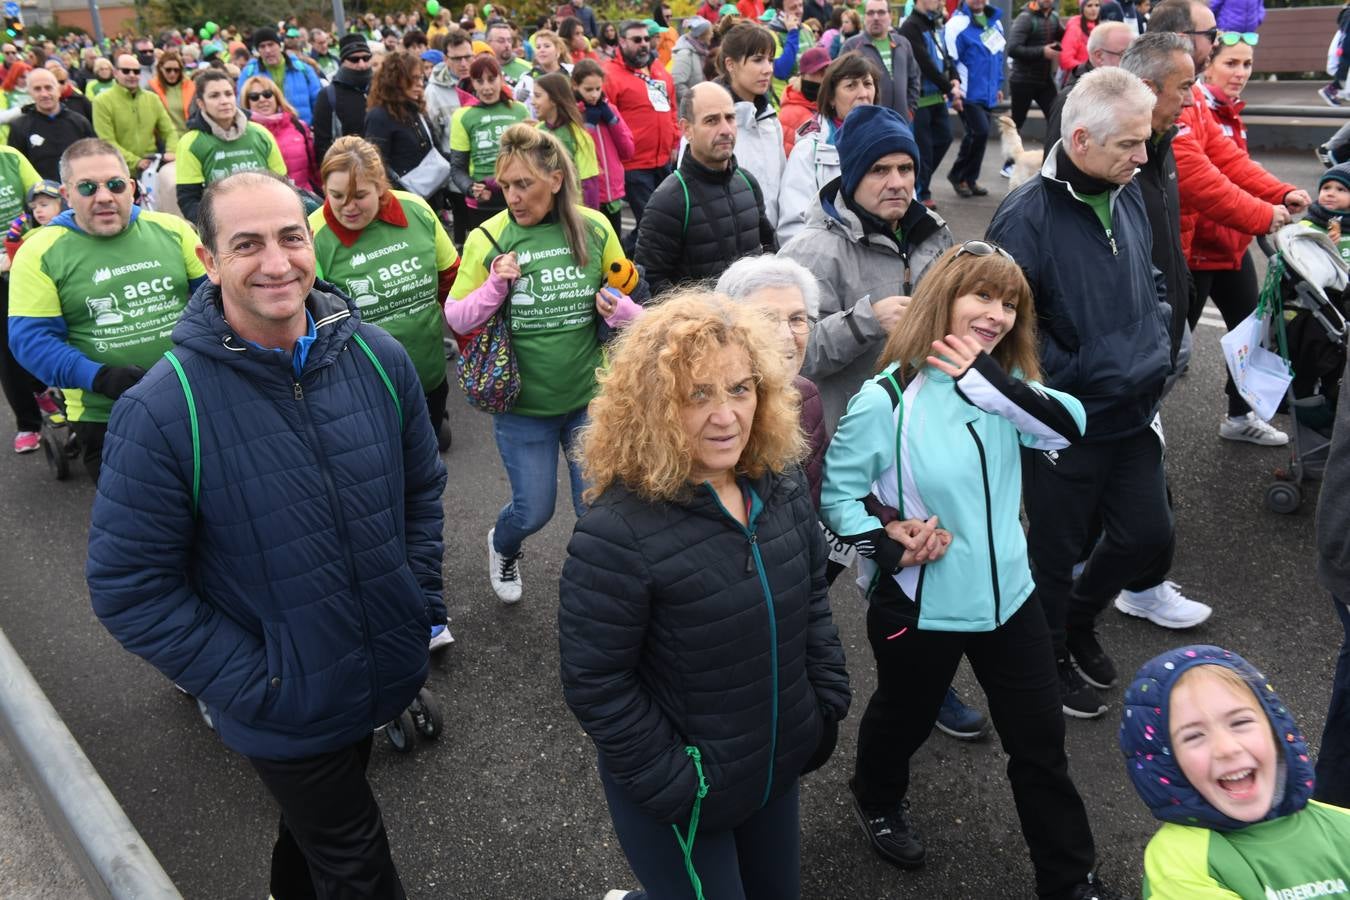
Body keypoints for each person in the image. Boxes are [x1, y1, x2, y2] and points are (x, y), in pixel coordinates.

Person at [85, 169, 446, 900]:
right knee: (356, 859)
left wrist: (416, 598)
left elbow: (420, 494)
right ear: (209, 260)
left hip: (371, 667)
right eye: (246, 244)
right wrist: (265, 682)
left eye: (290, 237)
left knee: (315, 832)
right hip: (283, 702)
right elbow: (130, 589)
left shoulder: (380, 357)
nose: (277, 263)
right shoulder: (162, 408)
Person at [821, 242, 1107, 898]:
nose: (997, 313)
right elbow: (836, 496)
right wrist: (887, 539)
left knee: (1041, 746)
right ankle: (876, 794)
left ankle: (1070, 880)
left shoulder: (1009, 392)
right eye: (982, 295)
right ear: (943, 298)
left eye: (1010, 303)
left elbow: (1071, 428)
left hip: (1013, 601)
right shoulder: (885, 398)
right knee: (903, 718)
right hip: (920, 604)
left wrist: (993, 384)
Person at [560, 292, 850, 900]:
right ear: (653, 408)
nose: (727, 417)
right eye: (698, 395)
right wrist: (675, 782)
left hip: (771, 765)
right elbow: (597, 681)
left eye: (740, 389)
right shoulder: (617, 530)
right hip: (683, 796)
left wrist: (821, 705)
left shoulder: (782, 483)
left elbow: (812, 602)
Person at [985, 68, 1187, 720]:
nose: (1143, 156)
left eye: (1144, 140)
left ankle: (1076, 623)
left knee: (1145, 535)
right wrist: (1099, 369)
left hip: (1134, 411)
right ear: (1080, 138)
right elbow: (1010, 336)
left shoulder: (1124, 188)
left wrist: (1156, 332)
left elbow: (1152, 275)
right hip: (1067, 425)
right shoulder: (1023, 219)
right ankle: (1046, 661)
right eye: (1130, 143)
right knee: (1053, 554)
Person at [444, 124, 638, 604]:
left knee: (594, 508)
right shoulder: (489, 237)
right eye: (506, 185)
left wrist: (622, 309)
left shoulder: (594, 227)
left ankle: (597, 593)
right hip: (523, 408)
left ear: (555, 180)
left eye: (523, 184)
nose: (512, 196)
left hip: (589, 400)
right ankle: (503, 544)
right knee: (533, 512)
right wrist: (495, 285)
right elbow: (455, 315)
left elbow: (633, 299)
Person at [7, 138, 205, 482]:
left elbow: (215, 301)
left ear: (131, 188)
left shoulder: (172, 230)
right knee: (146, 524)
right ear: (66, 195)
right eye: (87, 188)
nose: (103, 197)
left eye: (114, 185)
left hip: (194, 396)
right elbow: (31, 340)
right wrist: (99, 377)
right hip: (106, 414)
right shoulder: (38, 251)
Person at [778, 104, 953, 437]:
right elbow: (789, 356)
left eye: (906, 168)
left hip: (923, 434)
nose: (897, 182)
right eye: (879, 170)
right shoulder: (809, 252)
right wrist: (866, 321)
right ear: (854, 175)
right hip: (847, 437)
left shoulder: (936, 234)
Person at [1120, 646, 1350, 896]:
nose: (1226, 749)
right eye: (1194, 736)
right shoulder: (1178, 862)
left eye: (1240, 722)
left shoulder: (1343, 825)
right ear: (1165, 764)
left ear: (1276, 731)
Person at [1174, 25, 1309, 445]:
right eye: (1230, 62)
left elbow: (1234, 166)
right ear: (1206, 63)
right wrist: (1264, 214)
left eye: (1246, 64)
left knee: (1253, 334)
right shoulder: (1192, 104)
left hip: (1231, 247)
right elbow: (1203, 179)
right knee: (1170, 356)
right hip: (1197, 251)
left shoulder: (1224, 109)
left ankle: (1239, 415)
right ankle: (1133, 430)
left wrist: (1280, 193)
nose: (1240, 72)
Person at [310, 134, 459, 475]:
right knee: (395, 470)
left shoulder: (416, 209)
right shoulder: (313, 233)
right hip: (364, 388)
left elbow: (451, 279)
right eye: (336, 196)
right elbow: (313, 317)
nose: (348, 206)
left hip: (429, 370)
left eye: (359, 195)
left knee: (431, 442)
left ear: (380, 186)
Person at [635, 82, 774, 297]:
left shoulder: (747, 182)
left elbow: (770, 252)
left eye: (730, 118)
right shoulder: (669, 200)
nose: (726, 130)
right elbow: (651, 283)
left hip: (754, 323)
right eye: (711, 121)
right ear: (686, 129)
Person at [1119, 33, 1196, 375]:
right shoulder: (1111, 162)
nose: (1191, 100)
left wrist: (1183, 288)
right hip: (1138, 332)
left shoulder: (1161, 141)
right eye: (1184, 87)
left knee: (1179, 358)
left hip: (1167, 314)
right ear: (1149, 90)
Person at [776, 52, 876, 243]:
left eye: (868, 84)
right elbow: (793, 227)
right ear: (831, 98)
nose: (863, 93)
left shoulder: (893, 145)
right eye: (851, 86)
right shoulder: (808, 151)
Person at [177, 70, 287, 224]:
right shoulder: (190, 142)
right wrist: (218, 228)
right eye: (214, 96)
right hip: (223, 226)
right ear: (201, 103)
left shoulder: (260, 133)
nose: (224, 101)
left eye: (228, 94)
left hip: (268, 218)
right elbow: (189, 201)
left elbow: (283, 185)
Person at [605, 19, 679, 248]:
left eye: (647, 39)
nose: (644, 44)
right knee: (652, 223)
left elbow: (672, 109)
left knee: (666, 219)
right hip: (634, 165)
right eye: (637, 40)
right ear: (622, 41)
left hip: (664, 161)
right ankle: (622, 259)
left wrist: (675, 141)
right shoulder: (609, 74)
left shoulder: (659, 71)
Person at [713, 23, 786, 226]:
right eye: (758, 60)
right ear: (731, 64)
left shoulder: (770, 121)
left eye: (770, 60)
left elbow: (781, 190)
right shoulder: (707, 121)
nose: (768, 69)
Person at [449, 54, 530, 232]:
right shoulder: (462, 116)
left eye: (492, 79)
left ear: (501, 78)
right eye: (479, 81)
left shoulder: (519, 109)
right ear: (473, 83)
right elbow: (457, 168)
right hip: (483, 201)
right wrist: (471, 188)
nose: (486, 87)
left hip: (519, 196)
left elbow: (532, 157)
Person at [0, 148, 44, 455]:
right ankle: (28, 423)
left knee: (42, 332)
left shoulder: (10, 157)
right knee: (5, 346)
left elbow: (39, 197)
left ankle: (44, 390)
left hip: (26, 255)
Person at [365, 50, 448, 207]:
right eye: (414, 78)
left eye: (421, 78)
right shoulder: (379, 116)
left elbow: (435, 150)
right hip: (402, 202)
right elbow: (376, 165)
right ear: (396, 80)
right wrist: (406, 195)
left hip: (430, 198)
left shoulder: (416, 110)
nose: (420, 83)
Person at [900, 0, 961, 209]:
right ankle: (921, 191)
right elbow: (924, 63)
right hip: (921, 99)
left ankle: (917, 181)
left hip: (937, 97)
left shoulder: (935, 23)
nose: (940, 2)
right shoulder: (910, 26)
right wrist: (948, 87)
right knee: (924, 149)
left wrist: (954, 77)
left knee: (944, 139)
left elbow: (946, 55)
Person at [943, 0, 1004, 199]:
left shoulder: (995, 22)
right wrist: (955, 91)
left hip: (987, 92)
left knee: (979, 135)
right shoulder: (956, 24)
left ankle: (969, 178)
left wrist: (998, 85)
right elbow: (949, 60)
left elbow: (998, 57)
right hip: (967, 92)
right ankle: (958, 175)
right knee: (979, 132)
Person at [574, 58, 635, 237]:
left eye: (598, 89)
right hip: (588, 196)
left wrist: (612, 121)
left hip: (613, 194)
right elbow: (579, 151)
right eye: (588, 89)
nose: (594, 95)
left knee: (615, 247)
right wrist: (590, 126)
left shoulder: (610, 110)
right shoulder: (573, 114)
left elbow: (628, 150)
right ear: (575, 85)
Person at [1044, 21, 1132, 145]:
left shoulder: (1122, 90)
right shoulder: (1071, 99)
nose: (1133, 62)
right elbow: (1054, 157)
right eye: (1124, 55)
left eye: (1134, 54)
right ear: (1099, 56)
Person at [91, 53, 179, 175]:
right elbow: (107, 141)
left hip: (151, 167)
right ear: (115, 73)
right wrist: (136, 162)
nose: (132, 75)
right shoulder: (101, 101)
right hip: (119, 169)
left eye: (136, 71)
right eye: (126, 71)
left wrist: (172, 150)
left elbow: (169, 130)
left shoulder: (152, 98)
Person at [1004, 0, 1063, 178]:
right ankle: (1008, 164)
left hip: (1044, 80)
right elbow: (1012, 49)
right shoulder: (1025, 18)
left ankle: (1054, 161)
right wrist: (1042, 51)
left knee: (1057, 118)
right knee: (1017, 123)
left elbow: (1064, 36)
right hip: (1023, 80)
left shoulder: (1053, 17)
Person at [7, 66, 95, 182]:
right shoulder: (19, 127)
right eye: (37, 89)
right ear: (30, 93)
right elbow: (14, 168)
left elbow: (95, 158)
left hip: (79, 190)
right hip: (41, 195)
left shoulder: (80, 122)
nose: (44, 94)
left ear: (58, 90)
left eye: (48, 87)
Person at [844, 0, 920, 131]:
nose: (876, 17)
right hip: (868, 125)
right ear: (865, 17)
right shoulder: (852, 46)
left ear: (890, 16)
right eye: (870, 13)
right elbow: (842, 85)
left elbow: (914, 77)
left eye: (881, 12)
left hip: (903, 122)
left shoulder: (903, 43)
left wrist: (910, 110)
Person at [241, 75, 321, 196]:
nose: (262, 99)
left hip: (305, 198)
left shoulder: (298, 126)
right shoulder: (243, 134)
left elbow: (314, 168)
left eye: (267, 94)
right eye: (254, 97)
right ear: (247, 103)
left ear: (277, 97)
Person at [532, 72, 601, 208]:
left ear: (554, 99)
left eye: (537, 96)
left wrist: (589, 220)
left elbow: (589, 183)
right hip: (543, 210)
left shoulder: (578, 136)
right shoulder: (537, 130)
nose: (533, 102)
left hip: (571, 210)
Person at [236, 27, 322, 125]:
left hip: (301, 132)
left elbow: (318, 103)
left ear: (280, 45)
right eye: (262, 46)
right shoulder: (248, 73)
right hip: (264, 133)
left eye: (271, 45)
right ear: (257, 50)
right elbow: (241, 106)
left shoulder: (303, 69)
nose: (267, 50)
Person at [312, 34, 373, 163]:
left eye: (366, 58)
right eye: (354, 59)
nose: (362, 64)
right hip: (350, 171)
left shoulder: (381, 88)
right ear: (343, 61)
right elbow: (322, 145)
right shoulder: (328, 95)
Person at [779, 46, 830, 155]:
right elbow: (788, 155)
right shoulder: (790, 112)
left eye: (827, 70)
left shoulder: (829, 104)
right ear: (803, 74)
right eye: (818, 71)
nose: (823, 76)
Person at [514, 28, 573, 118]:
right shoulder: (527, 79)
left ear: (558, 50)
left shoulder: (571, 72)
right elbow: (518, 108)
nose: (542, 50)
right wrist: (517, 99)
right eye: (538, 47)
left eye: (547, 46)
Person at [149, 50, 193, 137]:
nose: (172, 74)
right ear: (161, 68)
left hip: (188, 136)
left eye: (176, 70)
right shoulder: (151, 87)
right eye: (168, 70)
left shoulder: (191, 86)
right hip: (165, 140)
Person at [671, 15, 711, 108]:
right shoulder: (685, 54)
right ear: (702, 34)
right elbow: (677, 83)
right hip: (688, 111)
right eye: (710, 32)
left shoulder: (699, 52)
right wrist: (694, 102)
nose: (712, 35)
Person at [486, 20, 531, 88]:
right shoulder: (479, 68)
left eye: (509, 40)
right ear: (488, 43)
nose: (507, 45)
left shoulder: (528, 68)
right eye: (501, 41)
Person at [1060, 0, 1100, 75]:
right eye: (1089, 5)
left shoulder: (1098, 28)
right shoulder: (1075, 29)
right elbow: (1065, 60)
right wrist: (1089, 70)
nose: (1094, 9)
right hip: (1078, 79)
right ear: (1082, 8)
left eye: (1097, 5)